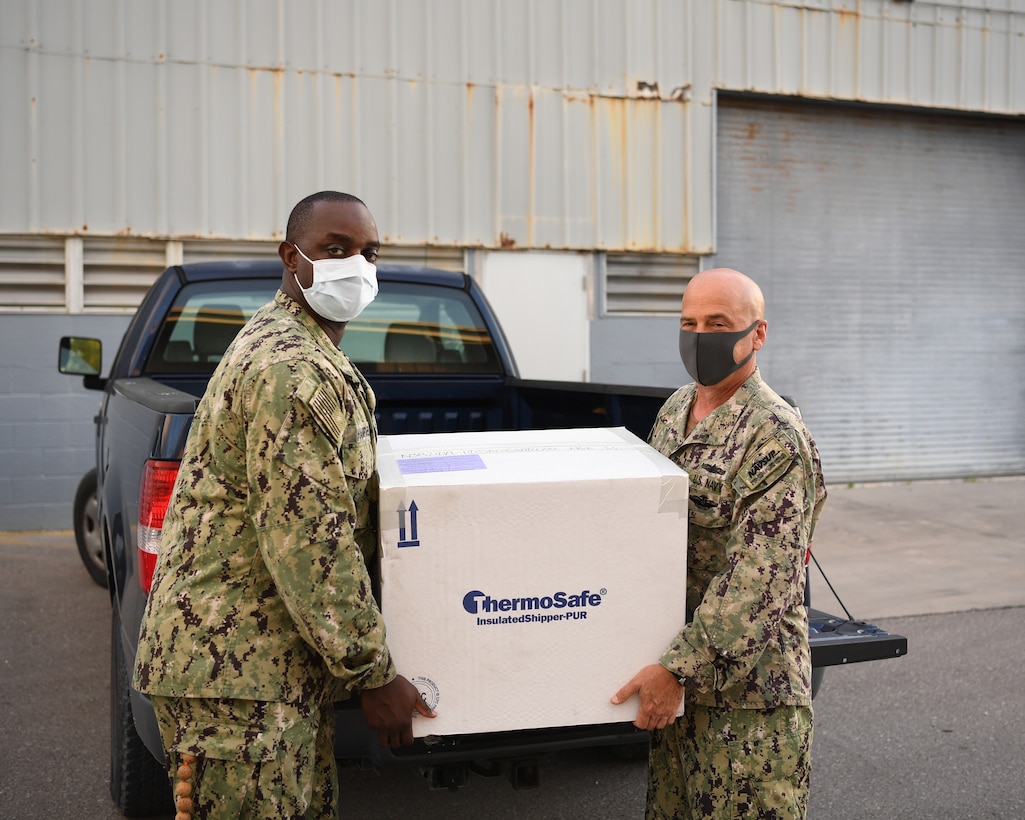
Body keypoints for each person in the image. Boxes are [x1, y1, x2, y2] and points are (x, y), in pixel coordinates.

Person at [133, 191, 434, 820]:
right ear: (290, 257)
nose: (356, 264)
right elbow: (311, 543)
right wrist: (372, 673)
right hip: (234, 678)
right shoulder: (289, 368)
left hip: (268, 672)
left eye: (367, 251)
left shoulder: (302, 347)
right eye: (335, 249)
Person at [611, 267, 826, 819]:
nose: (701, 336)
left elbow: (757, 584)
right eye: (689, 322)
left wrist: (675, 670)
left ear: (757, 334)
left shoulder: (774, 434)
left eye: (718, 323)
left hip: (749, 707)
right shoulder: (675, 411)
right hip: (681, 691)